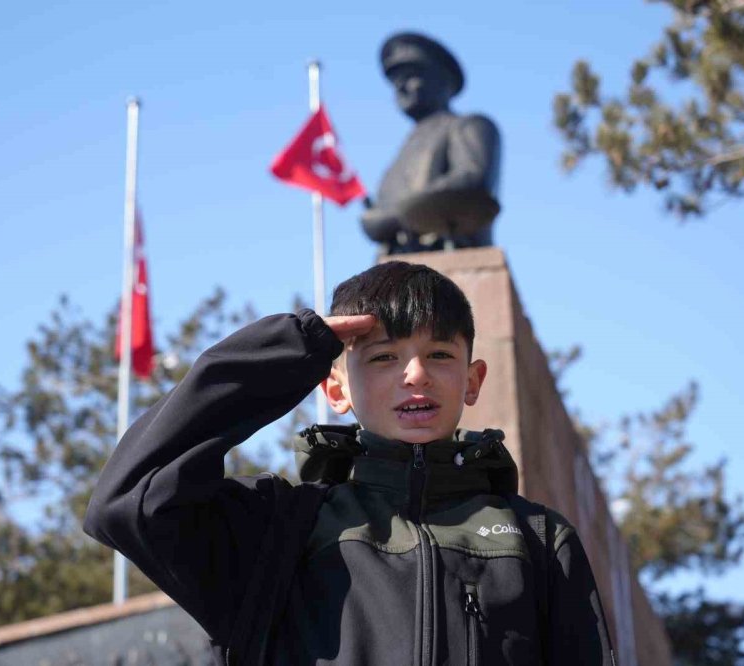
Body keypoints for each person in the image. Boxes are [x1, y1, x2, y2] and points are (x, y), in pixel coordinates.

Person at [84, 261, 615, 665]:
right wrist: (293, 349)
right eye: (383, 357)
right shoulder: (281, 531)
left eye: (439, 355)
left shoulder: (539, 540)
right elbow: (129, 500)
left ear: (472, 380)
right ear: (334, 387)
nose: (415, 375)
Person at [361, 33, 502, 254]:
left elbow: (471, 180)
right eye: (396, 81)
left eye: (410, 77)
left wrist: (394, 216)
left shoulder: (468, 126)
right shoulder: (402, 153)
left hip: (450, 262)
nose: (401, 87)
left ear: (443, 79)